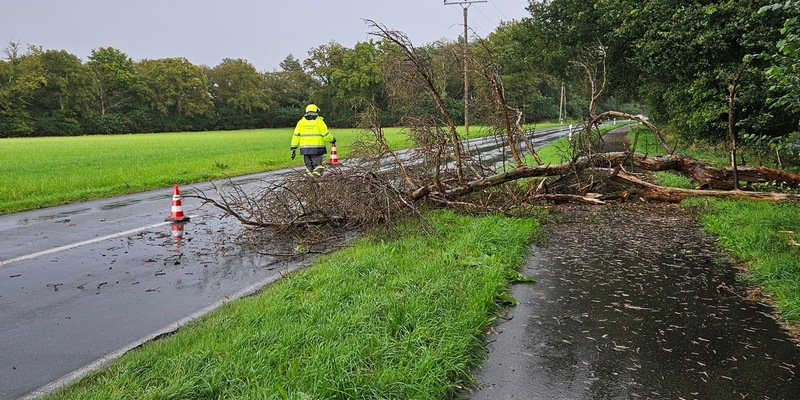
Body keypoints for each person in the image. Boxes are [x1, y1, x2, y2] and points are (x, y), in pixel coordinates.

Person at [290, 104, 336, 177]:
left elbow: (296, 135)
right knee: (318, 167)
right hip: (317, 149)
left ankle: (310, 184)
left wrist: (293, 148)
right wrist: (332, 139)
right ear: (316, 111)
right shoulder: (319, 122)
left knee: (309, 167)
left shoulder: (301, 122)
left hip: (304, 150)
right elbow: (326, 134)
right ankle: (315, 181)